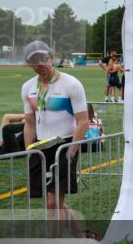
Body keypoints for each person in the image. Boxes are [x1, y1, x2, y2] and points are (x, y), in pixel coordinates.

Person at [21, 40, 89, 216]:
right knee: (53, 203)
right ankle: (81, 235)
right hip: (40, 147)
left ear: (51, 57)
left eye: (43, 58)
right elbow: (29, 123)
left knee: (52, 202)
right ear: (30, 64)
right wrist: (29, 151)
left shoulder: (71, 84)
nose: (40, 64)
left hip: (65, 145)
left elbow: (83, 121)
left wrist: (71, 152)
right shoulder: (28, 87)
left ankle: (53, 242)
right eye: (35, 60)